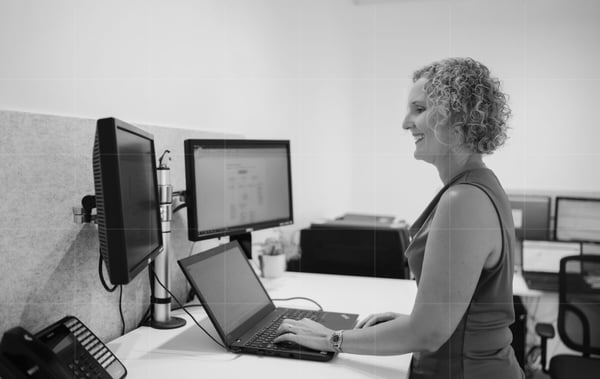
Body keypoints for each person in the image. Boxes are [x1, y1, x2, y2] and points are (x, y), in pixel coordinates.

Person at [274, 57, 525, 379]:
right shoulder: (477, 186)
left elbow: (429, 333)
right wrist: (412, 320)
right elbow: (450, 316)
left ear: (456, 117)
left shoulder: (464, 199)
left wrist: (331, 339)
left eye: (418, 109)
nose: (406, 123)